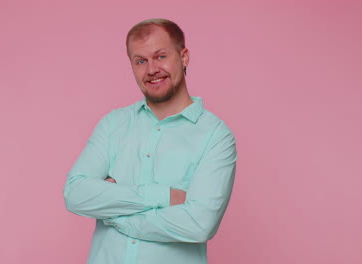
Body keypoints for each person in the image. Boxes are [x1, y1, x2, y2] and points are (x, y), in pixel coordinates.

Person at [64, 18, 237, 264]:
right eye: (141, 61)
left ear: (184, 57)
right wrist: (163, 197)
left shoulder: (215, 136)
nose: (152, 69)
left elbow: (200, 224)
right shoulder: (113, 124)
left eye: (161, 56)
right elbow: (75, 194)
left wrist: (113, 212)